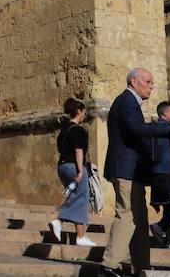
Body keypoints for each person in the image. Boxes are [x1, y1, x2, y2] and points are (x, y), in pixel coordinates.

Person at [99, 68, 170, 277]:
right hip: (126, 169)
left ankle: (138, 264)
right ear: (134, 81)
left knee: (140, 218)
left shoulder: (132, 103)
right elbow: (138, 129)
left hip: (134, 171)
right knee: (127, 214)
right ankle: (109, 264)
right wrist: (169, 127)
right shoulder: (125, 101)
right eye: (148, 81)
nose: (152, 86)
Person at [49, 97, 97, 248]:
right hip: (73, 167)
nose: (85, 116)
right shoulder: (77, 130)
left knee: (78, 197)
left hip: (62, 167)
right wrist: (81, 170)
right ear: (78, 111)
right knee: (82, 195)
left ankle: (80, 236)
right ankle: (59, 221)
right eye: (84, 112)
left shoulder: (64, 129)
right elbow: (78, 150)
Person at [147, 100, 170, 249]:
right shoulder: (167, 128)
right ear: (164, 113)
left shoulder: (153, 128)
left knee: (168, 205)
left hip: (156, 172)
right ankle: (160, 226)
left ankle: (169, 238)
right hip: (167, 171)